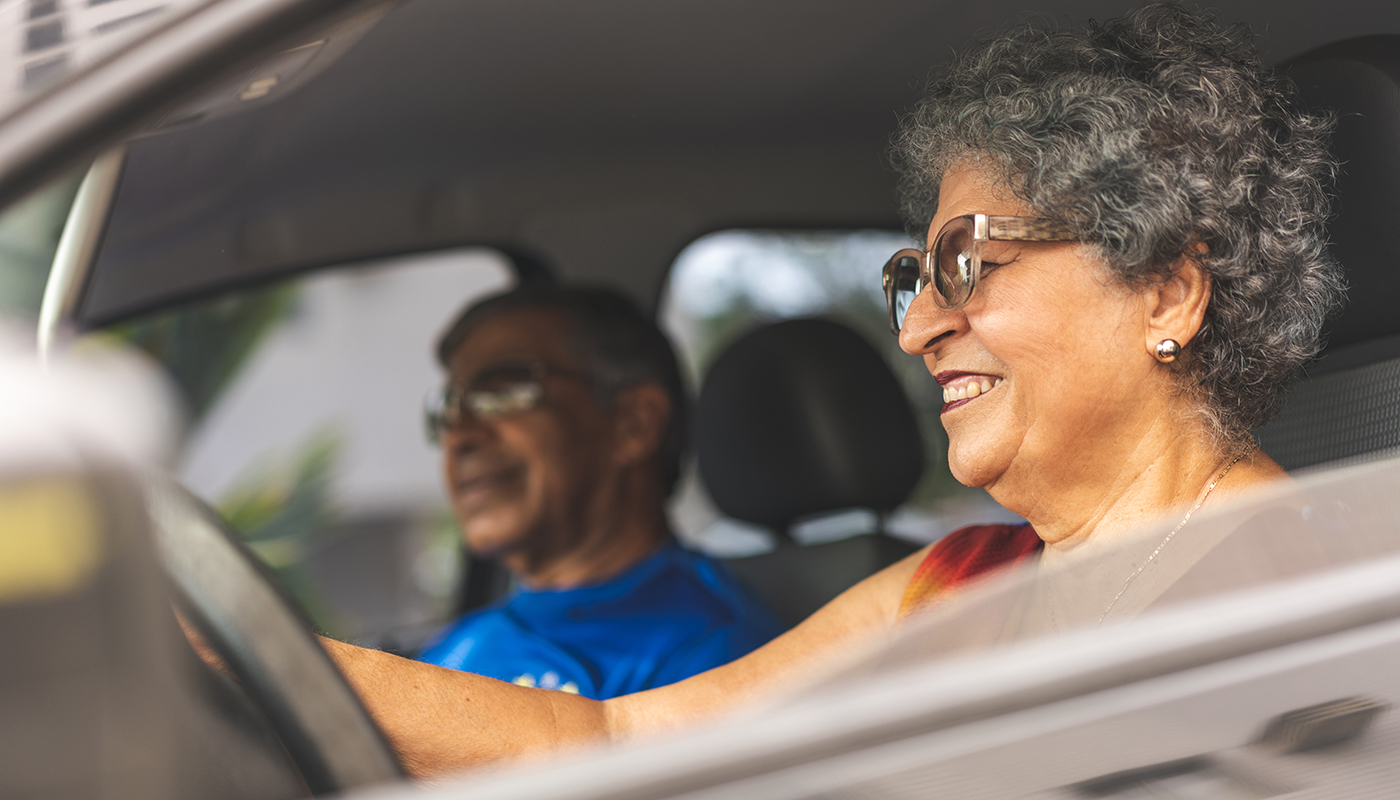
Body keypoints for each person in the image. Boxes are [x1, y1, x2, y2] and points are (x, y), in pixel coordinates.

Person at [318, 3, 1342, 777]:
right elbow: (617, 733)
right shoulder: (950, 580)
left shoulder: (1306, 611)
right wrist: (272, 660)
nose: (915, 326)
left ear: (1164, 290)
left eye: (966, 264)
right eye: (912, 277)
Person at [413, 285, 783, 699]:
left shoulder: (713, 659)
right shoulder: (467, 641)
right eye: (448, 409)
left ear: (633, 424)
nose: (458, 436)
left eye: (502, 392)